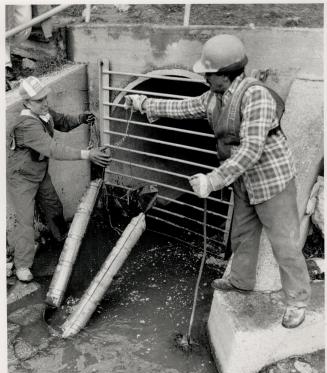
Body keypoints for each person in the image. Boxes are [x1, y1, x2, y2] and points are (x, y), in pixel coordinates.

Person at [124, 34, 311, 329]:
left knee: (284, 244)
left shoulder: (256, 96)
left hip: (272, 181)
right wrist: (145, 103)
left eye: (208, 73)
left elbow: (251, 149)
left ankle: (298, 300)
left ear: (224, 75)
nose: (204, 77)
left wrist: (212, 180)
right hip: (242, 181)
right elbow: (184, 108)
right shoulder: (215, 96)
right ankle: (241, 282)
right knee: (242, 236)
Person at [7, 76, 111, 282]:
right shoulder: (26, 124)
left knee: (53, 205)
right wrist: (88, 154)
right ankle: (22, 266)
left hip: (40, 172)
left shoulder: (43, 113)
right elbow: (53, 149)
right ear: (27, 103)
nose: (45, 102)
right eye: (39, 100)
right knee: (25, 222)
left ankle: (62, 239)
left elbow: (62, 121)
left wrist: (81, 118)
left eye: (45, 97)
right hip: (22, 177)